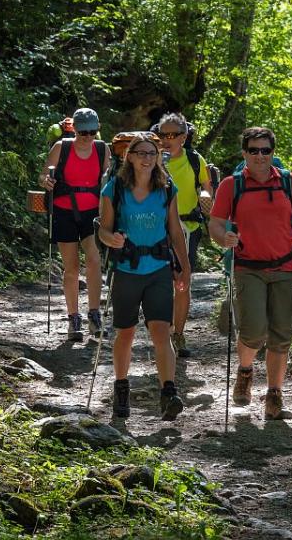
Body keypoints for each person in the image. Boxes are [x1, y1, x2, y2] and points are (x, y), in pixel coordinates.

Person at [208, 127, 292, 420]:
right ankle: (246, 371)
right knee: (253, 330)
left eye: (265, 150)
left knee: (281, 334)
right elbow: (215, 223)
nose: (260, 156)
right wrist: (224, 238)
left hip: (286, 267)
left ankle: (274, 396)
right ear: (244, 153)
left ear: (273, 153)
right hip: (247, 267)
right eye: (254, 150)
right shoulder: (231, 185)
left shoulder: (289, 183)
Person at [98, 133, 191, 420]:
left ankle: (169, 392)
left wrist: (184, 267)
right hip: (126, 269)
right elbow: (102, 229)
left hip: (159, 269)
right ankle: (121, 387)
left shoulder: (166, 189)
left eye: (152, 153)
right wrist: (110, 239)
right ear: (130, 157)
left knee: (161, 331)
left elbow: (175, 230)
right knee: (125, 333)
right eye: (141, 153)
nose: (147, 158)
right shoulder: (114, 189)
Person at [40, 108, 110, 342]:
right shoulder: (62, 148)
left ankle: (94, 314)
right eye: (83, 132)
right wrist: (47, 181)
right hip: (64, 211)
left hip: (92, 213)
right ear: (75, 130)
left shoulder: (102, 149)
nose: (88, 137)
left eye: (92, 132)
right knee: (71, 268)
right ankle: (74, 319)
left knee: (94, 259)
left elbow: (107, 181)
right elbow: (43, 176)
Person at [156, 113, 214, 358]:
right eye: (162, 134)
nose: (166, 140)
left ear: (184, 136)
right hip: (155, 227)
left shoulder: (194, 159)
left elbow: (206, 186)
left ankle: (178, 334)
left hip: (187, 227)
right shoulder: (151, 157)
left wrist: (206, 197)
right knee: (160, 283)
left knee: (182, 283)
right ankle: (163, 333)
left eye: (172, 135)